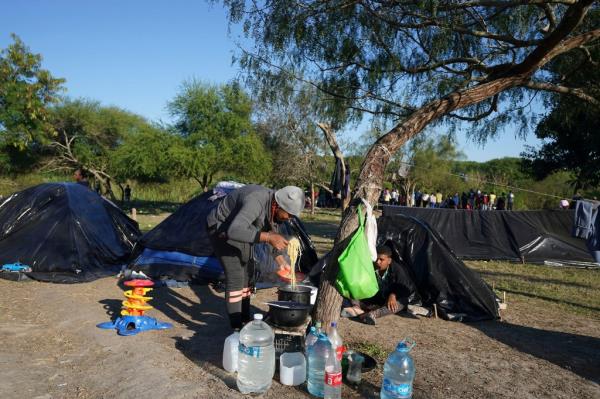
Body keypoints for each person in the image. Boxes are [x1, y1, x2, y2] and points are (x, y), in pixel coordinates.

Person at [206, 185, 305, 330]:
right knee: (236, 276)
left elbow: (271, 230)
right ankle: (236, 327)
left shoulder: (273, 207)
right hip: (221, 229)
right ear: (278, 205)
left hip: (241, 231)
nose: (289, 218)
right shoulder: (256, 201)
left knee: (248, 273)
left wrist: (280, 259)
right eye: (289, 214)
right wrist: (267, 237)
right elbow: (234, 231)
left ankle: (245, 321)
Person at [341, 245, 407, 325]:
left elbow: (403, 287)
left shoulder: (397, 270)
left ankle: (373, 314)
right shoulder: (370, 266)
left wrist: (393, 295)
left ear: (389, 260)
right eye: (376, 259)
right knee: (352, 287)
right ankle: (357, 308)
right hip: (371, 298)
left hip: (386, 300)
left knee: (403, 301)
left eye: (381, 260)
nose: (377, 262)